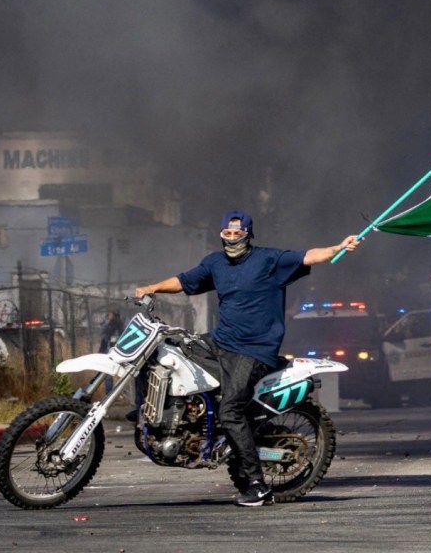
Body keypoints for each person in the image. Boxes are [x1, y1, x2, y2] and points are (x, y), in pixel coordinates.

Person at [135, 211, 359, 508]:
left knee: (230, 410)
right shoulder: (215, 263)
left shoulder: (269, 260)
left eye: (237, 234)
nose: (231, 239)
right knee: (168, 352)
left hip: (254, 350)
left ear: (248, 235)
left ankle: (257, 486)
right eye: (227, 234)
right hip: (220, 341)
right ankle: (168, 417)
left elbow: (308, 256)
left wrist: (338, 247)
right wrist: (151, 288)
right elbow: (185, 281)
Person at [98, 309, 124, 394]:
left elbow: (116, 338)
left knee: (109, 374)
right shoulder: (108, 325)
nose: (109, 317)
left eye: (111, 316)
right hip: (107, 352)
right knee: (105, 374)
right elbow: (103, 333)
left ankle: (111, 393)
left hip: (113, 353)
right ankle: (109, 393)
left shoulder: (118, 326)